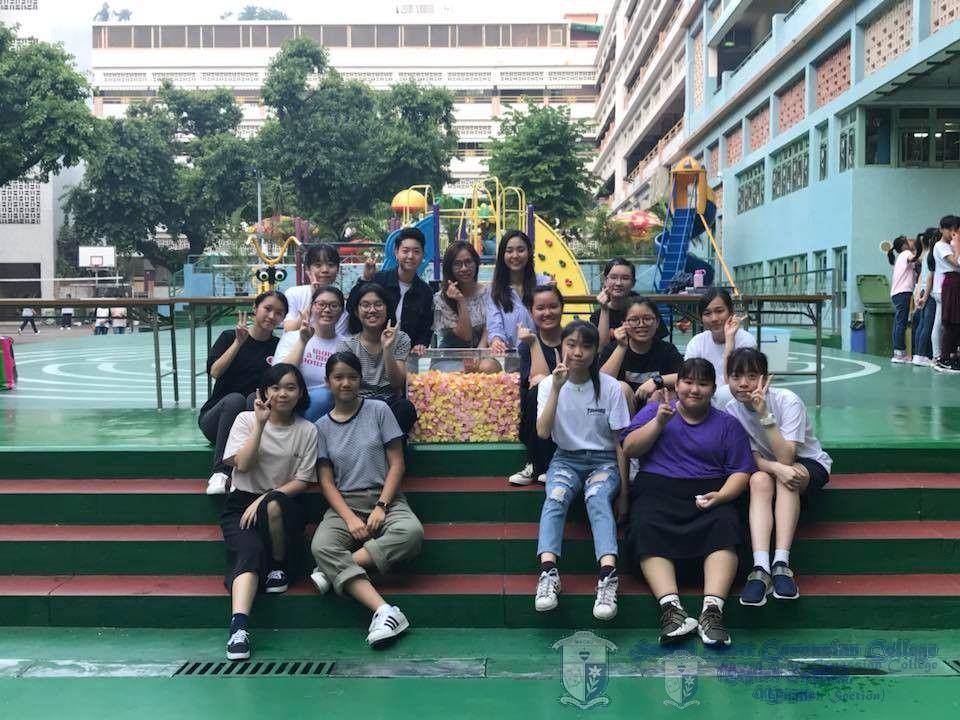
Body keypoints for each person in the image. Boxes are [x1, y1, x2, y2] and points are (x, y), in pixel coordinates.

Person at [621, 358, 755, 647]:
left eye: (703, 384)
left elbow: (740, 472)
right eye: (688, 382)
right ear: (677, 384)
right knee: (645, 523)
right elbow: (629, 448)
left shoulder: (728, 425)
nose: (694, 389)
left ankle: (712, 612)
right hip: (657, 489)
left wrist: (722, 496)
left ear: (713, 389)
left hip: (709, 492)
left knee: (725, 523)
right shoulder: (655, 410)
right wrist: (659, 422)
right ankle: (672, 610)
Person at [309, 352, 424, 647]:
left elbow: (397, 464)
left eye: (352, 377)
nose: (346, 383)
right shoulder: (321, 427)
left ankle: (331, 570)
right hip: (345, 502)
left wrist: (382, 506)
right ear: (327, 382)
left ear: (360, 380)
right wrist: (349, 518)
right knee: (321, 546)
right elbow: (326, 481)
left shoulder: (379, 410)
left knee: (410, 533)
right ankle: (384, 610)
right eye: (338, 377)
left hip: (385, 497)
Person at [220, 363, 318, 661]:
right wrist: (260, 425)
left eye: (290, 387)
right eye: (275, 387)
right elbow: (243, 464)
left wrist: (264, 499)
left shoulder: (307, 430)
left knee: (274, 504)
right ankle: (238, 628)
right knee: (248, 552)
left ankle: (278, 565)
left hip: (284, 506)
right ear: (264, 392)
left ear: (300, 393)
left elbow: (302, 481)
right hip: (240, 505)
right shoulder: (245, 420)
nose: (282, 394)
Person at [533, 320, 630, 621]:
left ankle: (608, 575)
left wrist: (624, 494)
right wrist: (556, 388)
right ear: (560, 347)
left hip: (604, 461)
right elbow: (542, 432)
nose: (578, 352)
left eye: (586, 346)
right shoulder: (549, 385)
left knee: (597, 498)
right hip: (565, 459)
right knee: (555, 497)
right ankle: (548, 572)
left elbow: (621, 444)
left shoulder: (610, 387)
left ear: (596, 351)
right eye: (571, 344)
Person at [725, 348, 832, 606]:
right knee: (758, 480)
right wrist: (776, 469)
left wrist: (764, 414)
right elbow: (752, 458)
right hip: (766, 466)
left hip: (807, 462)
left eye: (752, 376)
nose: (744, 383)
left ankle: (782, 563)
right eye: (736, 376)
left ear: (766, 378)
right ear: (727, 379)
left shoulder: (787, 401)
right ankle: (761, 567)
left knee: (789, 476)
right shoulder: (731, 409)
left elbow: (787, 456)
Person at [198, 291, 287, 495]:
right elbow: (215, 372)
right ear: (255, 308)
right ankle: (220, 472)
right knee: (235, 400)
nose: (272, 316)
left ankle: (242, 473)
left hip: (251, 422)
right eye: (267, 309)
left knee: (253, 399)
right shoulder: (229, 337)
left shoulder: (278, 346)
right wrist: (238, 343)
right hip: (217, 420)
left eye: (279, 313)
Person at [337, 283, 418, 434]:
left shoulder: (401, 339)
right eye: (365, 305)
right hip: (360, 404)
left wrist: (387, 348)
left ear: (387, 309)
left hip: (390, 404)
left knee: (406, 409)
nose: (372, 310)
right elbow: (347, 387)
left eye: (378, 304)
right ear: (356, 311)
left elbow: (397, 383)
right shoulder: (347, 346)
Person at [508, 285, 564, 486]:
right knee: (535, 392)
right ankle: (536, 464)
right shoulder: (526, 344)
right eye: (540, 308)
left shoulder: (573, 338)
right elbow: (538, 381)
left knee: (542, 386)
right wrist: (533, 343)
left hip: (571, 399)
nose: (547, 312)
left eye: (553, 306)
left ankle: (547, 465)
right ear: (531, 312)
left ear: (562, 307)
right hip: (541, 406)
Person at [350, 227, 434, 356]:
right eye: (405, 251)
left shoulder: (425, 292)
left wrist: (420, 344)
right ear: (396, 252)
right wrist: (365, 280)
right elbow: (352, 308)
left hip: (407, 357)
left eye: (416, 251)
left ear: (423, 255)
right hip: (373, 352)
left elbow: (426, 327)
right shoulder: (379, 280)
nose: (410, 256)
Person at [275, 286, 348, 422]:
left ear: (341, 312)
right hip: (289, 400)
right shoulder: (292, 337)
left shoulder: (346, 345)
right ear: (311, 308)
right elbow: (278, 376)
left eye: (334, 305)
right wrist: (302, 341)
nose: (327, 310)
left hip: (328, 407)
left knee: (323, 396)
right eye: (321, 304)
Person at [599, 296, 683, 414]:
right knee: (622, 388)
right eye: (634, 320)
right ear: (624, 324)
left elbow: (684, 376)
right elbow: (602, 383)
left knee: (661, 393)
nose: (641, 324)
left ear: (657, 322)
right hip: (622, 413)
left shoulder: (667, 350)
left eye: (647, 319)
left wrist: (656, 381)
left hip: (655, 412)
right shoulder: (613, 349)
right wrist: (622, 347)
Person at [684, 287, 756, 405]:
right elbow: (690, 381)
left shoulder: (746, 341)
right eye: (707, 313)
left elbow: (733, 384)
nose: (714, 318)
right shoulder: (697, 342)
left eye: (719, 311)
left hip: (737, 401)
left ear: (731, 312)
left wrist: (729, 342)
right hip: (705, 399)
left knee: (725, 393)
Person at [486, 230, 551, 353]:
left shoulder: (543, 283)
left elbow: (550, 320)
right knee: (487, 363)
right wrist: (496, 341)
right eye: (509, 251)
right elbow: (494, 325)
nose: (515, 256)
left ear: (529, 252)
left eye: (520, 250)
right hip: (508, 354)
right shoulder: (494, 290)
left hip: (540, 352)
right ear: (502, 255)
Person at [281, 243, 349, 336]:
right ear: (308, 269)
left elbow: (333, 339)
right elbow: (289, 329)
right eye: (318, 265)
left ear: (337, 269)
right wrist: (314, 299)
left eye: (331, 265)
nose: (325, 270)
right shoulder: (293, 293)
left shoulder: (341, 304)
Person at [591, 258, 640, 345]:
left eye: (625, 278)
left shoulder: (644, 310)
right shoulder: (597, 316)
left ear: (633, 283)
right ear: (605, 281)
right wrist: (604, 309)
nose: (618, 283)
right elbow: (601, 348)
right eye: (613, 277)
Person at [933, 215, 960, 373]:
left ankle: (953, 357)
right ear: (941, 229)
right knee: (950, 322)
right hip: (951, 283)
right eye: (950, 229)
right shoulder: (940, 246)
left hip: (956, 283)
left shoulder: (952, 245)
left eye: (955, 229)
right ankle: (943, 359)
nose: (952, 233)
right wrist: (957, 244)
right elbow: (956, 262)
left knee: (956, 322)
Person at [887, 235, 916, 363]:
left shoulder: (900, 257)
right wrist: (919, 251)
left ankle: (898, 353)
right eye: (908, 240)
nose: (911, 240)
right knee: (901, 323)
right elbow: (914, 259)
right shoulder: (906, 253)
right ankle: (900, 353)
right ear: (904, 245)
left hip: (897, 293)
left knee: (898, 323)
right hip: (903, 293)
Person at [912, 229, 939, 367]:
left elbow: (920, 277)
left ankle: (918, 354)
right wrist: (926, 296)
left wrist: (918, 295)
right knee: (927, 324)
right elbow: (929, 277)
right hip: (929, 292)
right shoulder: (932, 254)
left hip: (922, 291)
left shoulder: (926, 254)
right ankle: (922, 355)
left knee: (922, 324)